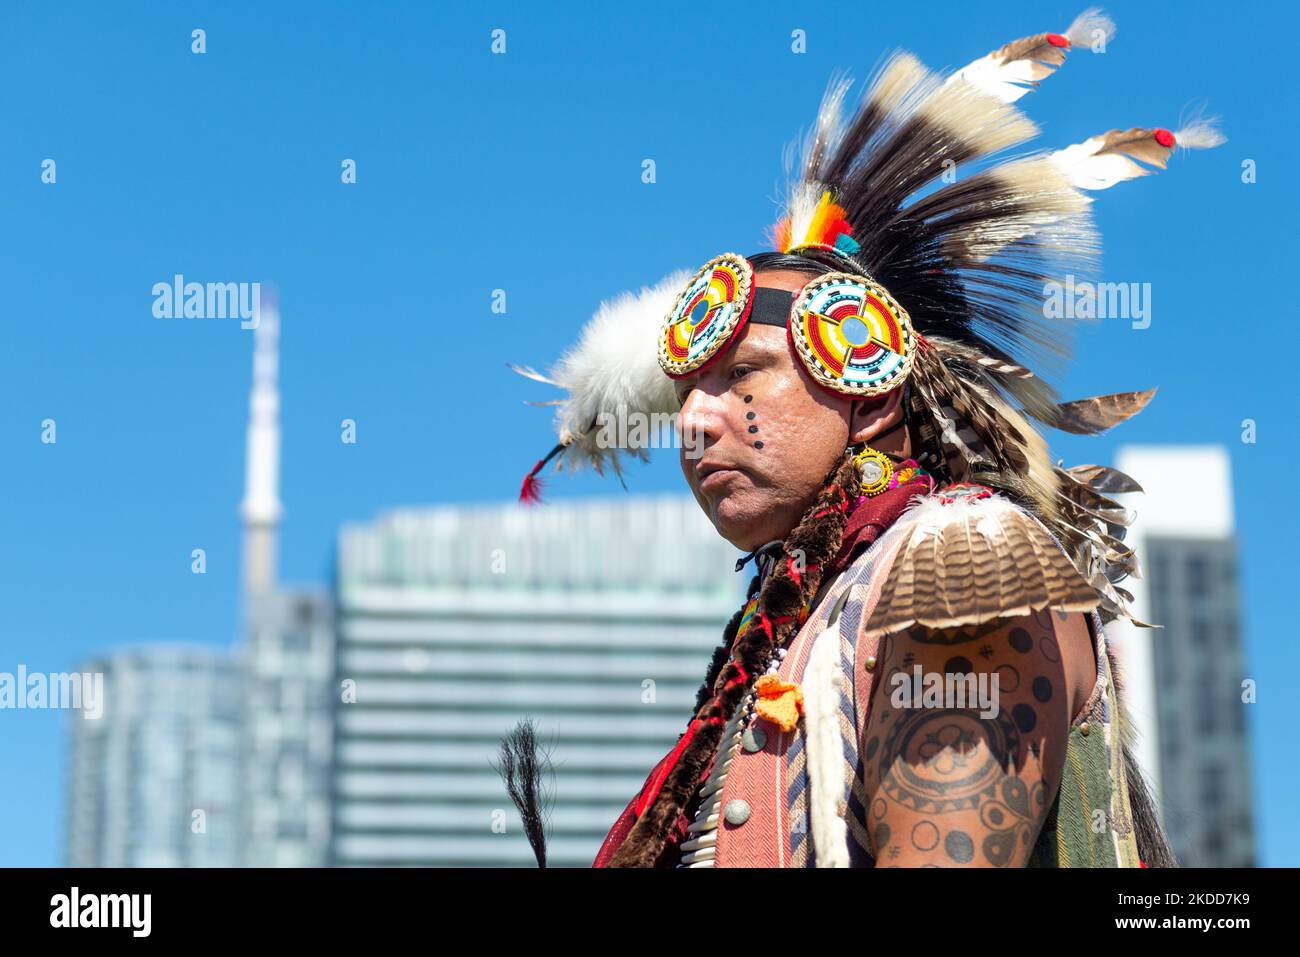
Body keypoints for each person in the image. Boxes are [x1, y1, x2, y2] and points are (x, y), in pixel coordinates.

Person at [508, 8, 1220, 868]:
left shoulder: (962, 559)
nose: (697, 419)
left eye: (743, 377)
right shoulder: (790, 625)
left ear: (870, 389)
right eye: (692, 389)